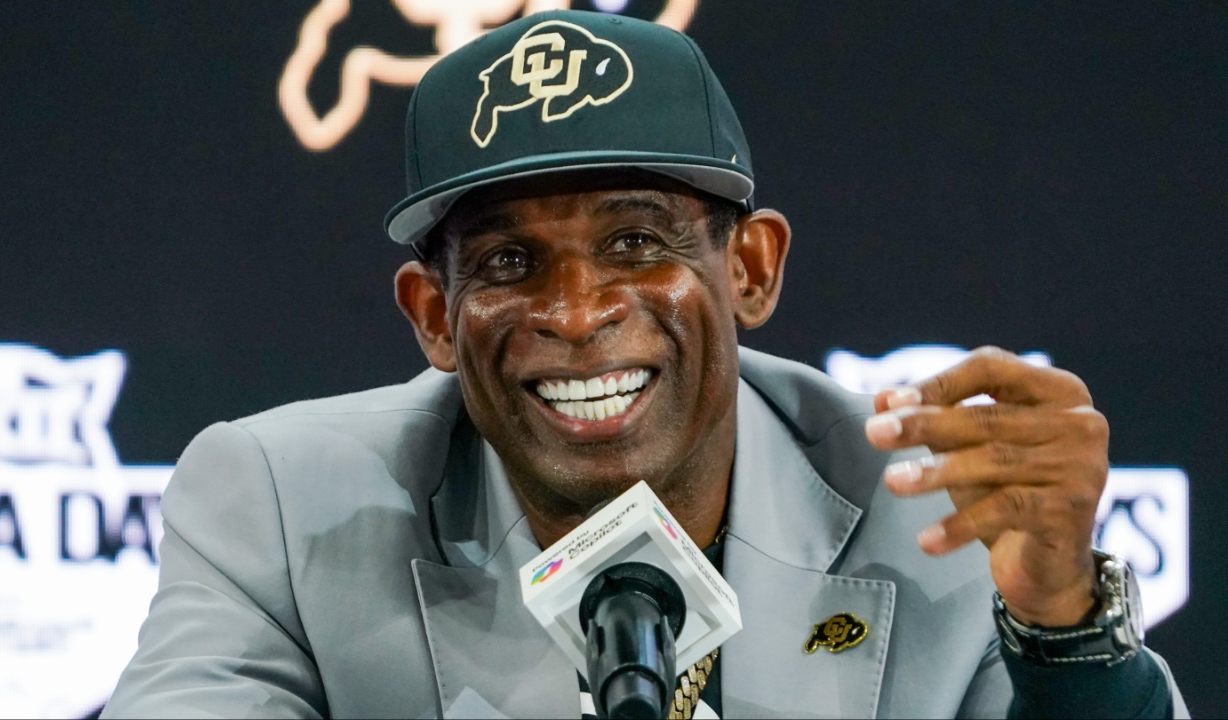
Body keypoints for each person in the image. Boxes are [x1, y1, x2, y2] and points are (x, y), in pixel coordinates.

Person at [104, 10, 1185, 719]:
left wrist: (1062, 628)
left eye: (635, 243)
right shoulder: (282, 506)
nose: (575, 314)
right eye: (509, 262)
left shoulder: (935, 511)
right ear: (434, 315)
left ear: (750, 269)